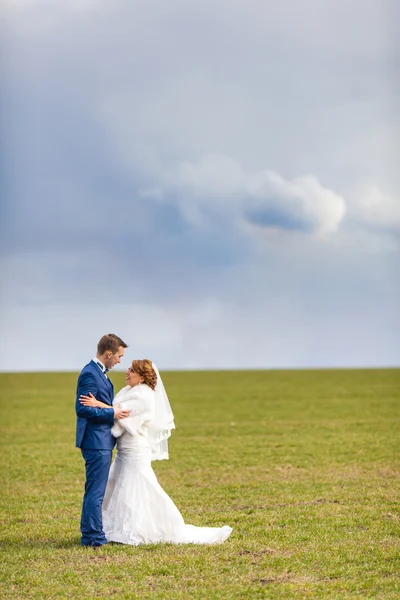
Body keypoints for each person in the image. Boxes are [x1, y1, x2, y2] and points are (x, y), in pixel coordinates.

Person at [80, 359, 232, 545]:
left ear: (142, 377)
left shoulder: (144, 396)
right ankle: (109, 528)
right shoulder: (128, 391)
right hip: (123, 450)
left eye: (132, 370)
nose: (127, 372)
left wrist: (97, 404)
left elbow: (121, 414)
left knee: (138, 488)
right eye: (128, 368)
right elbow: (116, 409)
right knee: (113, 485)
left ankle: (147, 528)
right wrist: (103, 406)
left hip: (135, 449)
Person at [75, 334, 130, 547]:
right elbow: (82, 409)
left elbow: (97, 403)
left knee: (95, 490)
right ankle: (94, 538)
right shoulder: (90, 373)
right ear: (109, 353)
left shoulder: (100, 373)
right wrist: (112, 414)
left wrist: (107, 407)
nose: (119, 361)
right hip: (96, 441)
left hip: (101, 441)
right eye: (119, 356)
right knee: (96, 492)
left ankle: (90, 534)